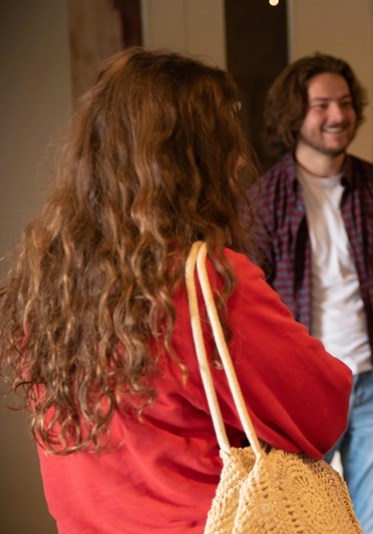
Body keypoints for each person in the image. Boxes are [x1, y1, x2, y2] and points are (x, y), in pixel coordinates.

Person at [0, 48, 353, 533]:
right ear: (192, 160)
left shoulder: (45, 279)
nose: (238, 160)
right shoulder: (202, 281)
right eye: (226, 140)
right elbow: (321, 410)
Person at [249, 53, 373, 534]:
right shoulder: (263, 198)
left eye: (344, 104)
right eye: (321, 105)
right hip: (299, 393)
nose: (338, 116)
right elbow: (252, 302)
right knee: (299, 527)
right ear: (293, 115)